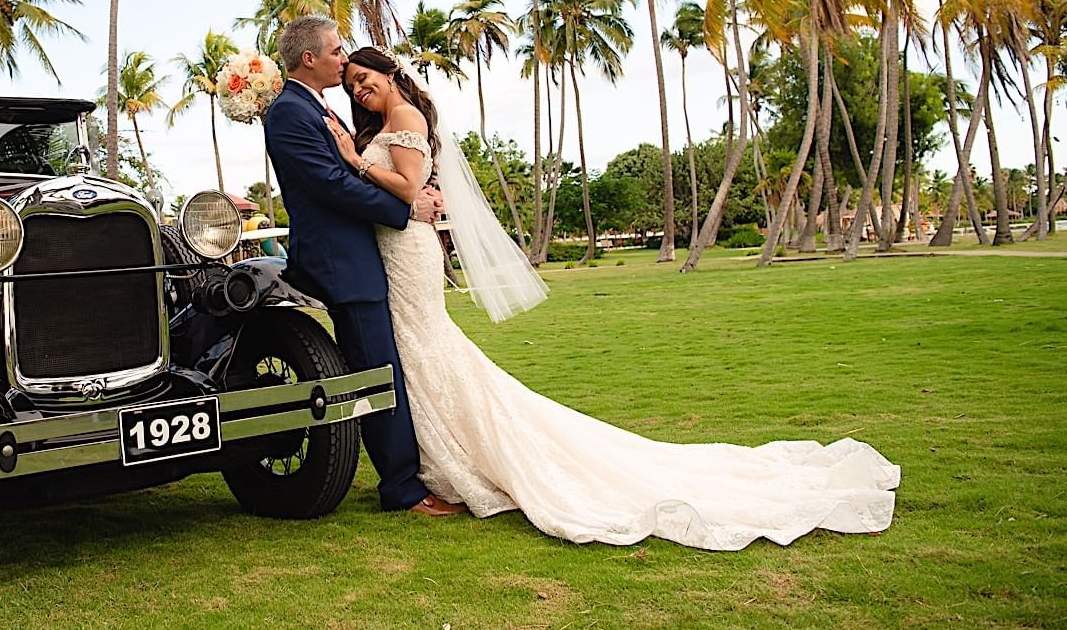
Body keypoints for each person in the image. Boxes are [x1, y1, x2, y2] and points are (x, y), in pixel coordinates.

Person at [324, 45, 900, 549]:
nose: (359, 90)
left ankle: (459, 461)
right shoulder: (388, 122)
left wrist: (353, 162)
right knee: (421, 351)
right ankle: (437, 460)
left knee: (427, 348)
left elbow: (405, 186)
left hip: (410, 254)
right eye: (351, 86)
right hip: (395, 253)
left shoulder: (404, 118)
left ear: (388, 72)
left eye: (363, 78)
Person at [263, 17, 465, 517]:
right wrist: (406, 208)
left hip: (364, 254)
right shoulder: (290, 112)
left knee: (385, 365)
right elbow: (330, 184)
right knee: (379, 370)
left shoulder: (314, 107)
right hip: (341, 262)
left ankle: (410, 473)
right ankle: (402, 489)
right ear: (309, 58)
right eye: (336, 52)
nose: (343, 59)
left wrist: (408, 193)